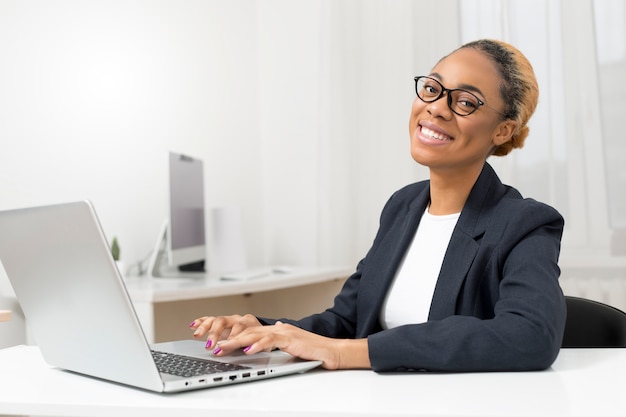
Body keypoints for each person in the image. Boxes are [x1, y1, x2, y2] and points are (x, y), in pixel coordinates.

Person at [189, 39, 566, 372]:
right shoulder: (402, 207)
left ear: (503, 130)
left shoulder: (525, 223)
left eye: (465, 101)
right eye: (432, 88)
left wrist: (347, 354)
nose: (436, 108)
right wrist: (264, 330)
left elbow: (530, 335)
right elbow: (347, 321)